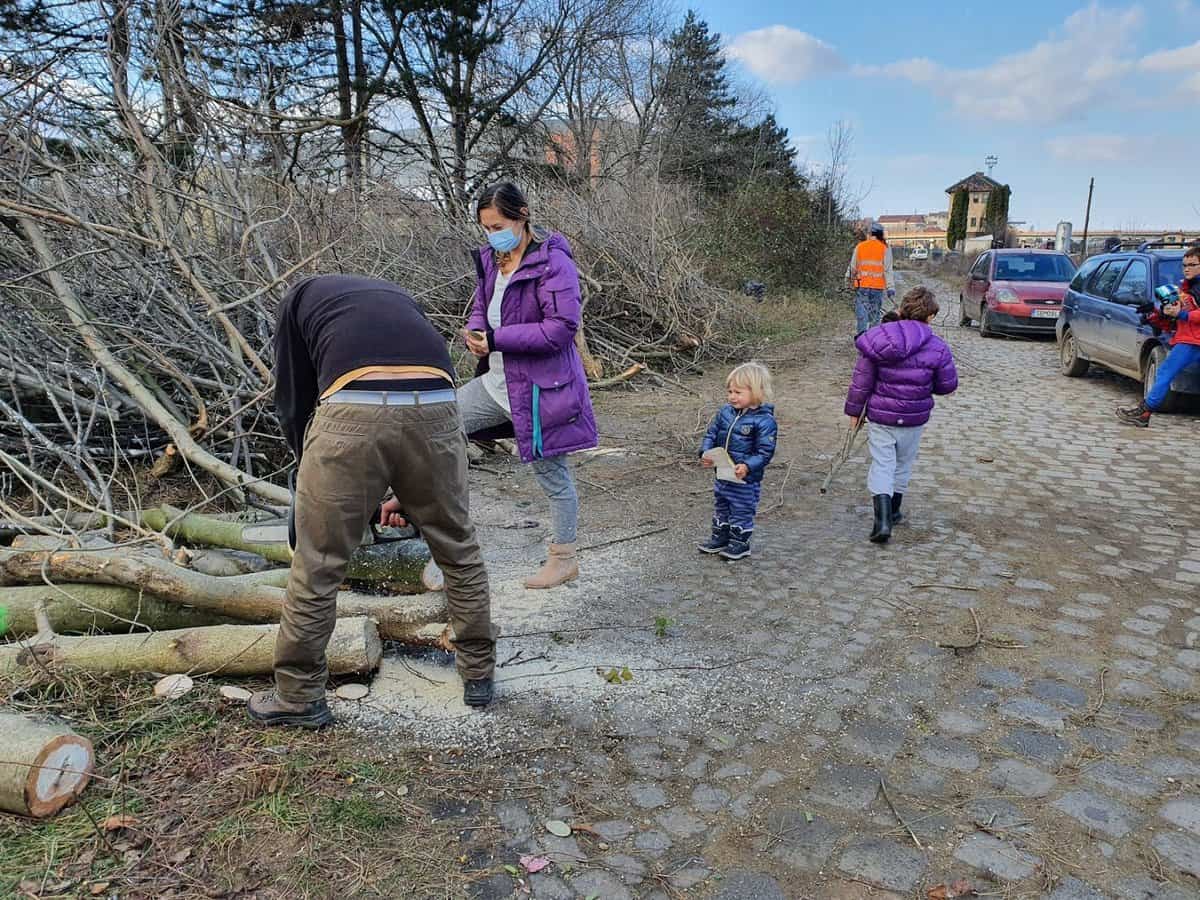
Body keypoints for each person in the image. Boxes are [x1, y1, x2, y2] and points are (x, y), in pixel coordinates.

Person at [249, 274, 498, 727]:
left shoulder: (297, 302)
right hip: (441, 405)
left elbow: (295, 400)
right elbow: (411, 398)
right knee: (457, 547)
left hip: (353, 409)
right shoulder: (402, 296)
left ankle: (299, 696)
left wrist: (309, 469)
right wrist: (404, 491)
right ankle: (479, 674)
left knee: (319, 562)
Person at [453, 182, 599, 588]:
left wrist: (497, 340)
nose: (492, 234)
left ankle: (564, 558)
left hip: (540, 390)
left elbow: (561, 329)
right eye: (485, 227)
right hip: (496, 384)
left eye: (498, 225)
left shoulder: (553, 263)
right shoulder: (490, 258)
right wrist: (476, 330)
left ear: (523, 215)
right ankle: (443, 543)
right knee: (435, 427)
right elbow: (482, 305)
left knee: (553, 477)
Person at [844, 286, 958, 543]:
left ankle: (882, 522)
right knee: (903, 464)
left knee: (882, 465)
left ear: (901, 310)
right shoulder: (937, 346)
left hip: (882, 418)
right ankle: (894, 511)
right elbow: (947, 385)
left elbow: (861, 380)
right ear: (930, 316)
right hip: (913, 419)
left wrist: (854, 411)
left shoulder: (877, 339)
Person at [697, 362, 778, 561]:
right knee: (722, 505)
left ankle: (740, 542)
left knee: (741, 508)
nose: (732, 396)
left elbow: (765, 452)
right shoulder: (725, 412)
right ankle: (720, 537)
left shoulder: (764, 421)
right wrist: (705, 452)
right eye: (730, 391)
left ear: (756, 392)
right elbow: (712, 433)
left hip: (745, 478)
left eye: (738, 392)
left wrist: (748, 466)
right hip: (723, 473)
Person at [1117, 245, 1200, 427]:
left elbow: (1185, 312)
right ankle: (1145, 411)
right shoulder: (1188, 287)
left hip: (1192, 342)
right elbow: (1176, 309)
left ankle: (1144, 412)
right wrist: (1156, 311)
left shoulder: (1195, 288)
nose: (1186, 268)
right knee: (1165, 373)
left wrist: (1182, 315)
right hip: (1189, 339)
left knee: (1164, 373)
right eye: (1184, 264)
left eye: (1192, 264)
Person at [845, 222, 896, 336]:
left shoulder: (860, 246)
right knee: (874, 315)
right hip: (877, 287)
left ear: (870, 234)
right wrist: (890, 288)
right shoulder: (885, 248)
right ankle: (874, 341)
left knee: (862, 314)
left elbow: (853, 267)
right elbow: (888, 270)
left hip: (861, 286)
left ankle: (862, 341)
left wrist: (847, 282)